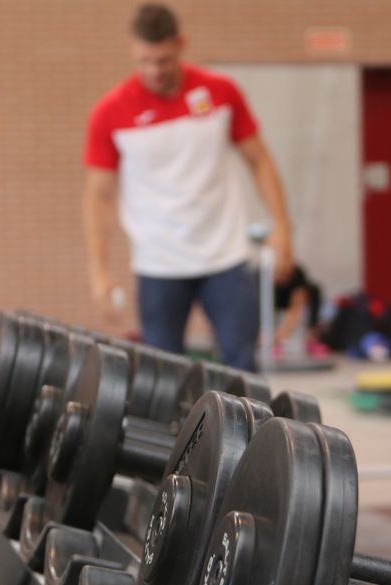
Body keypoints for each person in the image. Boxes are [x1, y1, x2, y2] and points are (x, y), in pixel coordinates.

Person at [82, 3, 294, 371]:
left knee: (241, 365)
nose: (154, 71)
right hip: (158, 263)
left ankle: (247, 430)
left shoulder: (221, 93)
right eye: (145, 60)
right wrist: (99, 270)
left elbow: (259, 160)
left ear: (181, 44)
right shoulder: (110, 112)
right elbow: (98, 196)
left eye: (163, 60)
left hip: (225, 257)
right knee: (161, 375)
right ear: (133, 50)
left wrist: (283, 227)